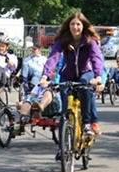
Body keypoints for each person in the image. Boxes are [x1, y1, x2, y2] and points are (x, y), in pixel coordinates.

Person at [40, 11, 104, 139]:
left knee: (84, 86)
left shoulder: (89, 41)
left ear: (83, 26)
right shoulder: (63, 40)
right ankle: (61, 149)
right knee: (65, 112)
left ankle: (86, 124)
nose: (75, 27)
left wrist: (98, 76)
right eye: (72, 24)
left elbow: (96, 58)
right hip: (67, 74)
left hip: (86, 72)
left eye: (78, 24)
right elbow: (54, 56)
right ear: (68, 26)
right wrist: (45, 76)